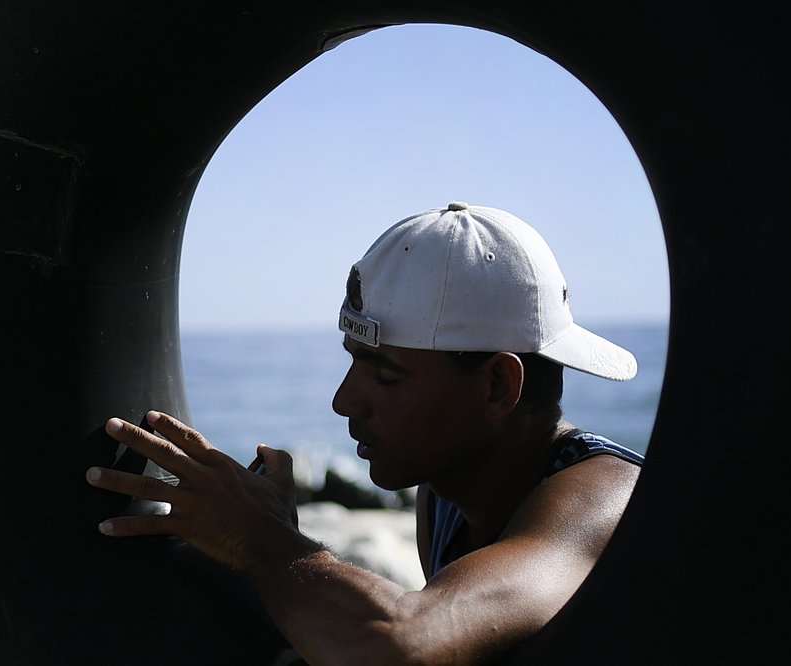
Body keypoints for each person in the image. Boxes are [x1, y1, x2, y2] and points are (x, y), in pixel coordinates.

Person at [86, 202, 644, 665]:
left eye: (385, 374)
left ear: (498, 385)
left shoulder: (606, 499)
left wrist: (261, 538)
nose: (343, 400)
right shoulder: (445, 491)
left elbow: (397, 648)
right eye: (354, 363)